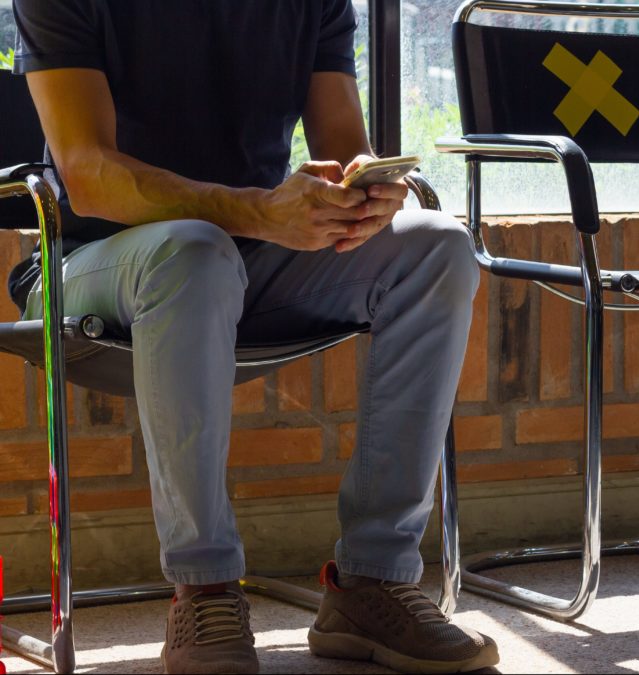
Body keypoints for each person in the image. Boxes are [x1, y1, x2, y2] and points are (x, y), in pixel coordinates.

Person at [10, 1, 499, 673]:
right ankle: (203, 586)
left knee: (438, 247)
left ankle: (372, 580)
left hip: (246, 256)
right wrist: (258, 212)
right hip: (89, 261)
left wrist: (365, 192)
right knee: (194, 252)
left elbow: (342, 142)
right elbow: (87, 174)